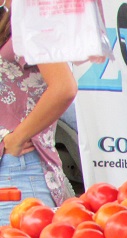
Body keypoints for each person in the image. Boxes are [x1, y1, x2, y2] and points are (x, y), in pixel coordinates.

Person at [0, 0, 77, 224]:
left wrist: (17, 138)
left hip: (19, 168)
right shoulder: (9, 15)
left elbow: (64, 87)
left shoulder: (33, 17)